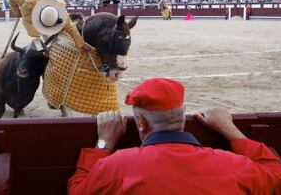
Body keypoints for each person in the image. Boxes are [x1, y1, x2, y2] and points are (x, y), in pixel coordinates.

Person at [68, 78, 281, 194]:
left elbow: (78, 191)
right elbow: (276, 176)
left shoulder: (116, 167)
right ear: (182, 115)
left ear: (140, 123)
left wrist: (103, 144)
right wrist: (230, 129)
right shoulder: (232, 166)